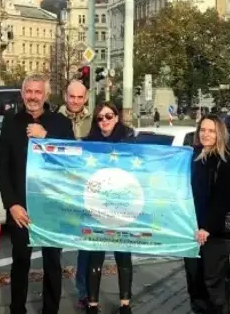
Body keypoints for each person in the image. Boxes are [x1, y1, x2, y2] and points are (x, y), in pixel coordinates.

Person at [0, 74, 74, 314]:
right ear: (22, 94)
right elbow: (2, 167)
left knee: (52, 262)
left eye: (37, 92)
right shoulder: (10, 121)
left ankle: (50, 309)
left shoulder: (60, 122)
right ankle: (17, 309)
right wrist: (11, 204)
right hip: (22, 206)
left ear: (46, 95)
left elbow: (71, 159)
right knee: (20, 262)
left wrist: (47, 137)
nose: (32, 97)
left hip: (51, 204)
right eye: (28, 92)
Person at [184, 114, 230, 314]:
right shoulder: (193, 157)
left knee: (214, 287)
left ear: (220, 134)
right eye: (202, 130)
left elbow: (224, 199)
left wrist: (207, 227)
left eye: (211, 131)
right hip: (192, 231)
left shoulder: (226, 160)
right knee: (195, 284)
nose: (205, 135)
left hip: (214, 233)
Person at [83, 103, 136, 314]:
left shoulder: (129, 141)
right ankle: (92, 305)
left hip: (122, 205)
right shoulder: (88, 144)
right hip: (96, 206)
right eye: (99, 117)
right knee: (95, 256)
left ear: (116, 117)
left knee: (123, 254)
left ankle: (125, 304)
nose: (104, 120)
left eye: (108, 116)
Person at [55, 79, 93, 308]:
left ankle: (85, 291)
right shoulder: (54, 120)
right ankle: (52, 292)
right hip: (59, 189)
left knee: (87, 243)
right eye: (72, 97)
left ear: (85, 97)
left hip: (86, 190)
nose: (76, 101)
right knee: (53, 244)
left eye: (80, 97)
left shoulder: (95, 120)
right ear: (65, 97)